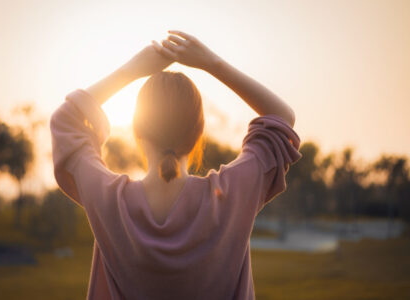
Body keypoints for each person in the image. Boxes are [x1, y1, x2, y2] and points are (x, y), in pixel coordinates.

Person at [50, 30, 302, 300]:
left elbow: (66, 120)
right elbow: (282, 118)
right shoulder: (232, 194)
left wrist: (133, 69)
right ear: (198, 133)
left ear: (137, 131)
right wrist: (211, 63)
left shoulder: (109, 200)